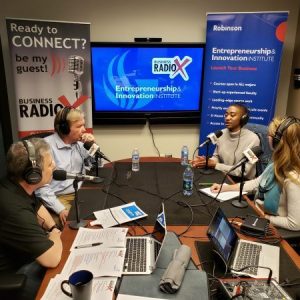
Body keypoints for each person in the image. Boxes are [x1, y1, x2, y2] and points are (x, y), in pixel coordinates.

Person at [210, 116, 300, 231]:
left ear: (278, 141)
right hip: (257, 214)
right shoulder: (276, 163)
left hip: (271, 227)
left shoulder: (293, 179)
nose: (267, 137)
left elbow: (295, 224)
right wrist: (225, 188)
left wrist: (262, 216)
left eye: (270, 135)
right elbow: (257, 182)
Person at [0, 138, 62, 299]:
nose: (54, 166)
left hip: (22, 256)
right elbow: (51, 259)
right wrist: (55, 236)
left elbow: (36, 206)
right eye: (49, 164)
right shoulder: (15, 209)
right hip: (14, 275)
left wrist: (52, 228)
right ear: (33, 174)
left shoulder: (12, 184)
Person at [35, 106, 96, 226]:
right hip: (59, 196)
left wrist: (93, 146)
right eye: (79, 126)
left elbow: (96, 167)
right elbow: (40, 187)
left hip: (81, 191)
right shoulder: (45, 148)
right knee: (78, 224)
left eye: (83, 125)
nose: (84, 130)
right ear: (64, 129)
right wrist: (60, 209)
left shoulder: (79, 144)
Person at [192, 103, 260, 179]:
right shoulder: (221, 134)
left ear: (243, 118)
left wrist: (215, 165)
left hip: (243, 182)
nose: (227, 118)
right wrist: (207, 161)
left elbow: (245, 171)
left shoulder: (253, 139)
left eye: (232, 115)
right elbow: (217, 157)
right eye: (226, 115)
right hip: (224, 177)